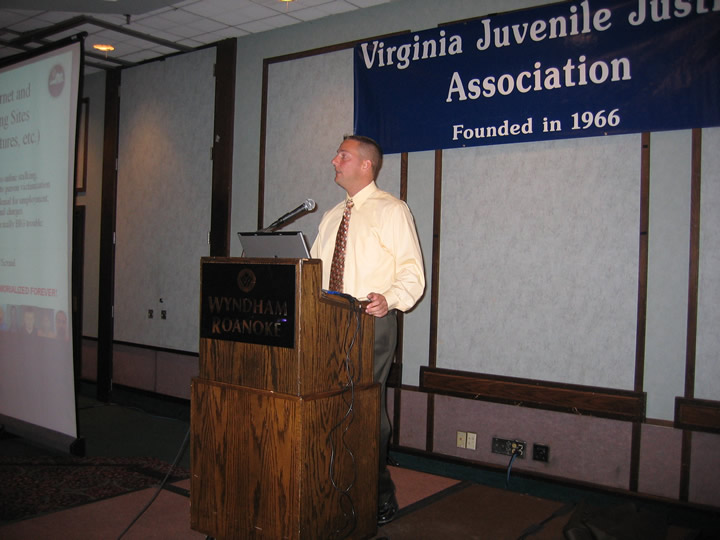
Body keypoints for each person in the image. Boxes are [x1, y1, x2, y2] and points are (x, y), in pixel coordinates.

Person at [310, 134, 425, 525]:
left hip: (370, 323)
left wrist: (389, 299)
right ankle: (335, 485)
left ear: (366, 166)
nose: (333, 160)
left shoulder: (392, 210)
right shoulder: (330, 217)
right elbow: (312, 275)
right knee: (326, 405)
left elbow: (412, 274)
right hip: (326, 327)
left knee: (366, 410)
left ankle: (378, 494)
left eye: (343, 155)